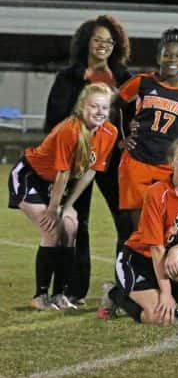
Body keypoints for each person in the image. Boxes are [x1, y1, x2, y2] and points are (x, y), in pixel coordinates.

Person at [42, 15, 131, 304]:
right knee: (76, 222)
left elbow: (133, 116)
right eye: (98, 40)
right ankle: (73, 289)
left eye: (109, 41)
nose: (103, 45)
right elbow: (54, 121)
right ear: (86, 43)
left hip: (114, 158)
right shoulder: (69, 77)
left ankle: (126, 283)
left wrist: (129, 137)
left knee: (126, 220)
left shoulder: (123, 77)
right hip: (78, 160)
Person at [9, 83, 118, 310]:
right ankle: (40, 297)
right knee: (52, 228)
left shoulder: (109, 132)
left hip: (59, 186)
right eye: (94, 106)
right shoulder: (70, 129)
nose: (99, 112)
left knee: (71, 227)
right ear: (81, 107)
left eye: (104, 108)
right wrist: (53, 208)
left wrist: (67, 206)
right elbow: (63, 172)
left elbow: (90, 173)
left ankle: (59, 294)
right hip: (31, 177)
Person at [98, 137, 178, 324]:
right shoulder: (157, 192)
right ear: (171, 162)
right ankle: (115, 294)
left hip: (166, 258)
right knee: (160, 317)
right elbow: (155, 248)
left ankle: (176, 303)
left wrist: (177, 249)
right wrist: (165, 293)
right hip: (139, 259)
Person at [117, 27, 178, 239]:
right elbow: (114, 105)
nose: (173, 59)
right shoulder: (143, 81)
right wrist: (122, 135)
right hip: (138, 160)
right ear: (158, 57)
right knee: (138, 229)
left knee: (169, 225)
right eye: (168, 54)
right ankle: (137, 269)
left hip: (168, 164)